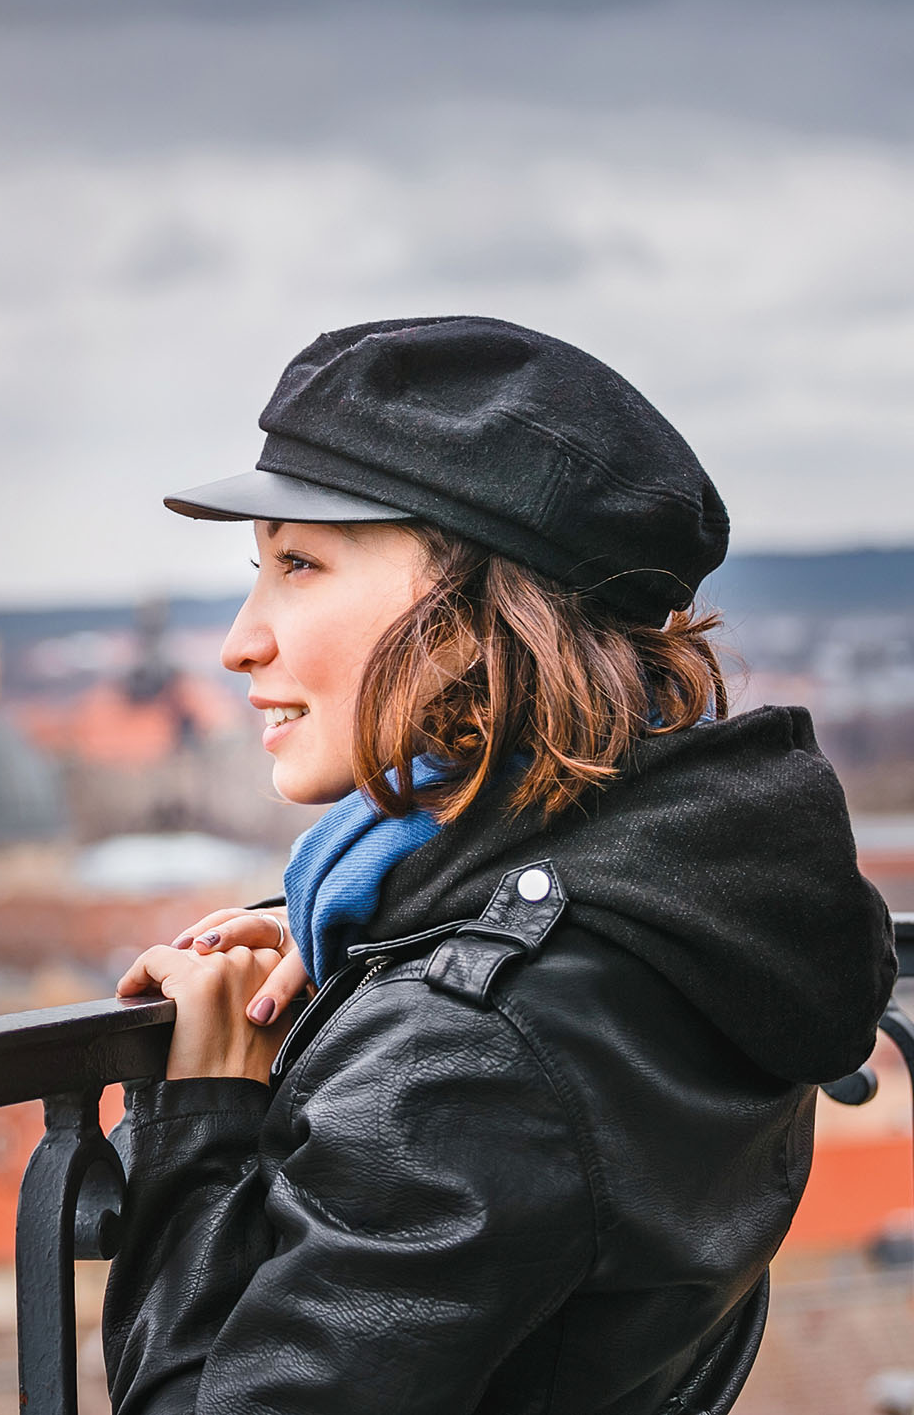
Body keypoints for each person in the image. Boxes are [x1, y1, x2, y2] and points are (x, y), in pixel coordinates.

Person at [105, 317, 898, 1414]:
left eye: (299, 564)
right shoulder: (678, 899)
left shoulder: (473, 1051)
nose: (241, 640)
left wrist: (202, 1119)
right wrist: (398, 949)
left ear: (472, 621)